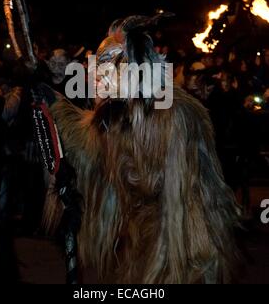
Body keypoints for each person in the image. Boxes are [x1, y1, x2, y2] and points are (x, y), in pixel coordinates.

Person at [41, 16, 240, 284]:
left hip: (183, 232)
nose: (96, 81)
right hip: (144, 231)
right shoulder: (123, 112)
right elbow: (94, 150)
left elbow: (146, 174)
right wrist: (53, 103)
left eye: (104, 73)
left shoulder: (169, 110)